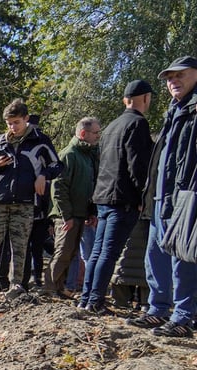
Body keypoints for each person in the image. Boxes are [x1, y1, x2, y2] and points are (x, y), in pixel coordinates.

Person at [78, 80, 154, 314]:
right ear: (146, 98)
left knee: (98, 251)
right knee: (109, 253)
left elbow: (102, 165)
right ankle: (96, 302)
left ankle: (86, 298)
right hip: (123, 199)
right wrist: (143, 195)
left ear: (125, 100)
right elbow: (138, 165)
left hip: (103, 197)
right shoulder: (138, 124)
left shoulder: (111, 126)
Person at [135, 56, 197, 337]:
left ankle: (183, 316)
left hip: (183, 197)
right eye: (169, 78)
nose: (173, 81)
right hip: (159, 199)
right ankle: (156, 310)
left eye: (179, 75)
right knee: (155, 256)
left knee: (181, 261)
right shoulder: (174, 110)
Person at [0, 99, 61, 298]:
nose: (12, 127)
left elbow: (57, 165)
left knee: (19, 246)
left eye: (16, 122)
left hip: (25, 201)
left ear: (26, 119)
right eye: (9, 123)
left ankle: (16, 285)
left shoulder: (40, 140)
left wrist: (43, 175)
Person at [44, 117, 101, 298]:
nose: (98, 136)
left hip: (80, 214)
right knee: (62, 252)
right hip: (67, 216)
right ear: (83, 133)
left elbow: (90, 185)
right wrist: (66, 215)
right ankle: (49, 288)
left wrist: (91, 211)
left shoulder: (88, 156)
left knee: (71, 253)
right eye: (95, 132)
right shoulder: (69, 154)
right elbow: (59, 187)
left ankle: (59, 288)